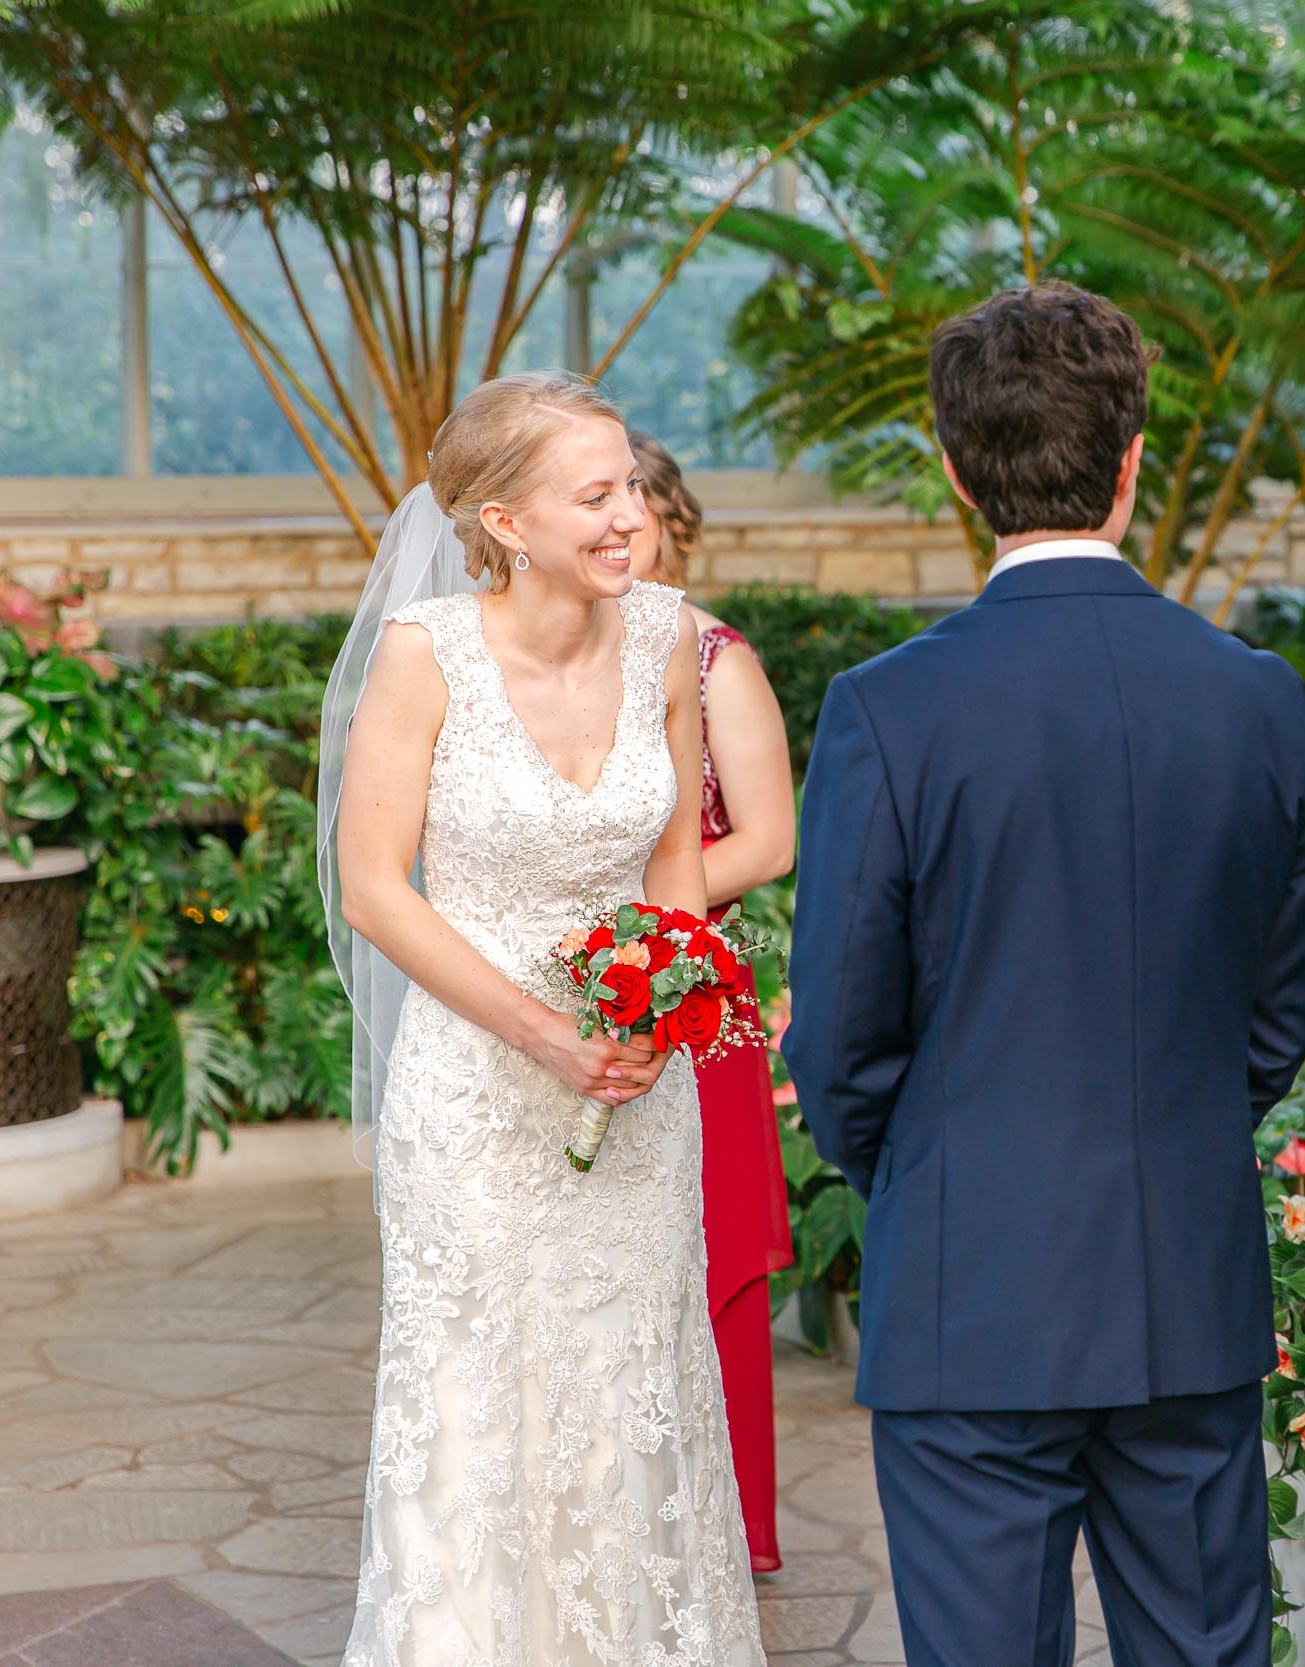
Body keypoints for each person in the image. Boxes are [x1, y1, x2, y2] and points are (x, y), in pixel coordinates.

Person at [781, 282, 1305, 1667]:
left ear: (960, 470)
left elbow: (842, 1028)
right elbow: (1283, 996)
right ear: (1134, 459)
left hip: (972, 1283)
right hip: (1184, 1274)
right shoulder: (1255, 693)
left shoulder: (887, 706)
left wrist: (922, 1170)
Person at [319, 371, 765, 1665]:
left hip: (634, 1086)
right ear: (504, 522)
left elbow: (678, 851)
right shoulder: (426, 654)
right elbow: (371, 885)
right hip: (475, 1096)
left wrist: (664, 1004)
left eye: (630, 482)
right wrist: (540, 1029)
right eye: (596, 493)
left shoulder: (671, 635)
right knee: (477, 1408)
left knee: (634, 1391)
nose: (632, 513)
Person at [627, 426, 798, 1573]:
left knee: (703, 1257)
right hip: (562, 1005)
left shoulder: (713, 659)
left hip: (691, 1000)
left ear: (671, 523)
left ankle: (719, 1526)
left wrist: (635, 918)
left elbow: (772, 840)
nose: (613, 532)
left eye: (631, 509)